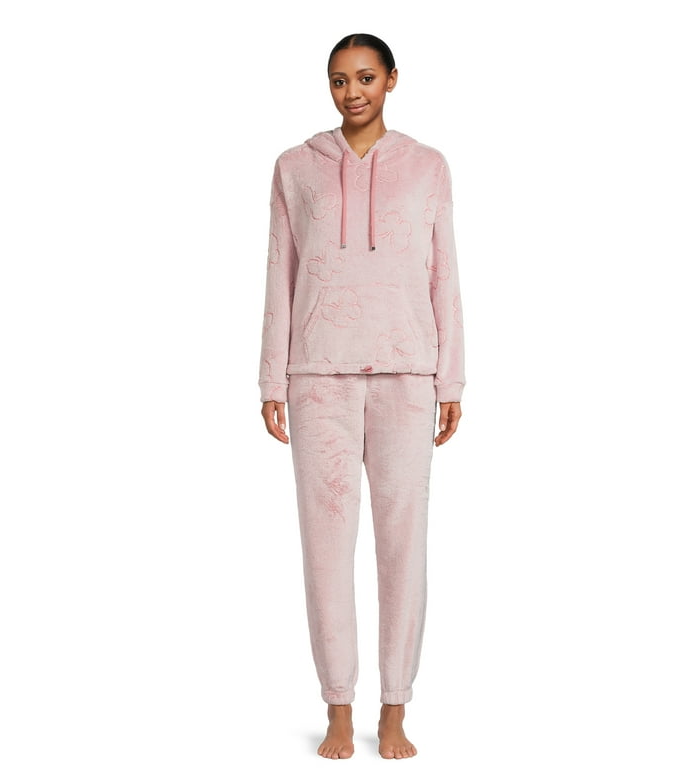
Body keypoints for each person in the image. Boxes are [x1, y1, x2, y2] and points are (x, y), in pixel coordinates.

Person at [258, 32, 465, 760]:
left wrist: (451, 377)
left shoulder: (427, 166)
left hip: (408, 375)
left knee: (404, 545)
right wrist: (271, 376)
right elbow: (279, 271)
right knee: (325, 549)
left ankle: (396, 706)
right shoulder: (294, 168)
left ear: (391, 81)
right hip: (317, 376)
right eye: (340, 80)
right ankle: (338, 705)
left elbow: (445, 273)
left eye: (366, 78)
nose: (353, 92)